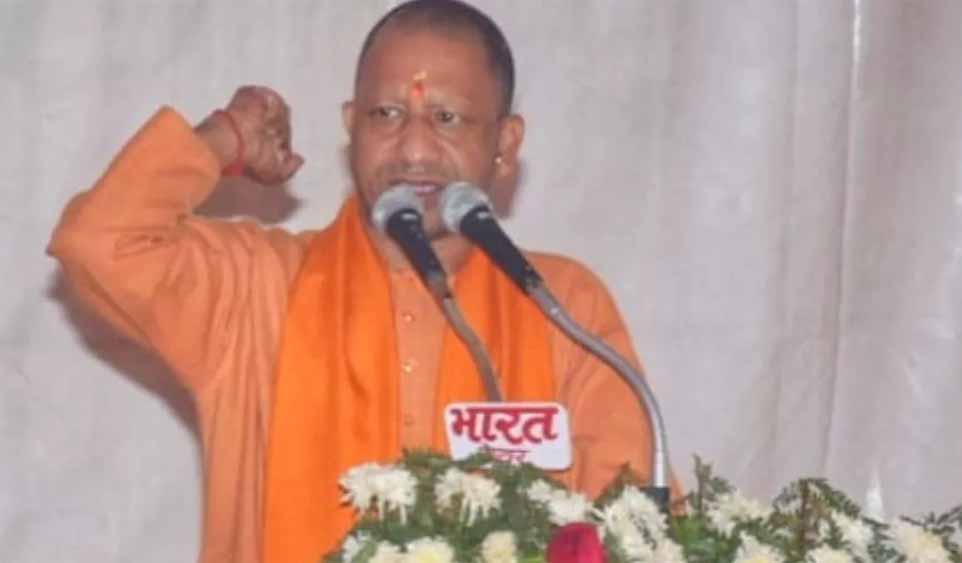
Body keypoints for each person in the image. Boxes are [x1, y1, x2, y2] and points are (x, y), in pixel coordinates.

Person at [48, 1, 673, 562]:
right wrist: (222, 139)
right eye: (387, 114)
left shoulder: (559, 304)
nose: (413, 149)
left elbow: (631, 525)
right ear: (352, 125)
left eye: (447, 118)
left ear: (505, 144)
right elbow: (98, 240)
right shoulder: (257, 288)